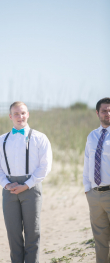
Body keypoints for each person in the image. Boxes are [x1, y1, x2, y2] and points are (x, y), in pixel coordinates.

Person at [0, 101, 52, 263]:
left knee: (33, 232)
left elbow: (45, 166)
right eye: (16, 114)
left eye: (23, 113)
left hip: (31, 187)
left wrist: (27, 184)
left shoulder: (40, 138)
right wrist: (5, 183)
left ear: (28, 114)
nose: (20, 116)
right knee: (13, 233)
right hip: (9, 189)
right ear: (10, 116)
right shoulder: (1, 140)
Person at [83, 97, 110, 263]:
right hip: (94, 195)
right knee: (99, 240)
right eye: (104, 110)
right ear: (97, 113)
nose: (108, 113)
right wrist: (87, 188)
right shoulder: (92, 136)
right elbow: (87, 162)